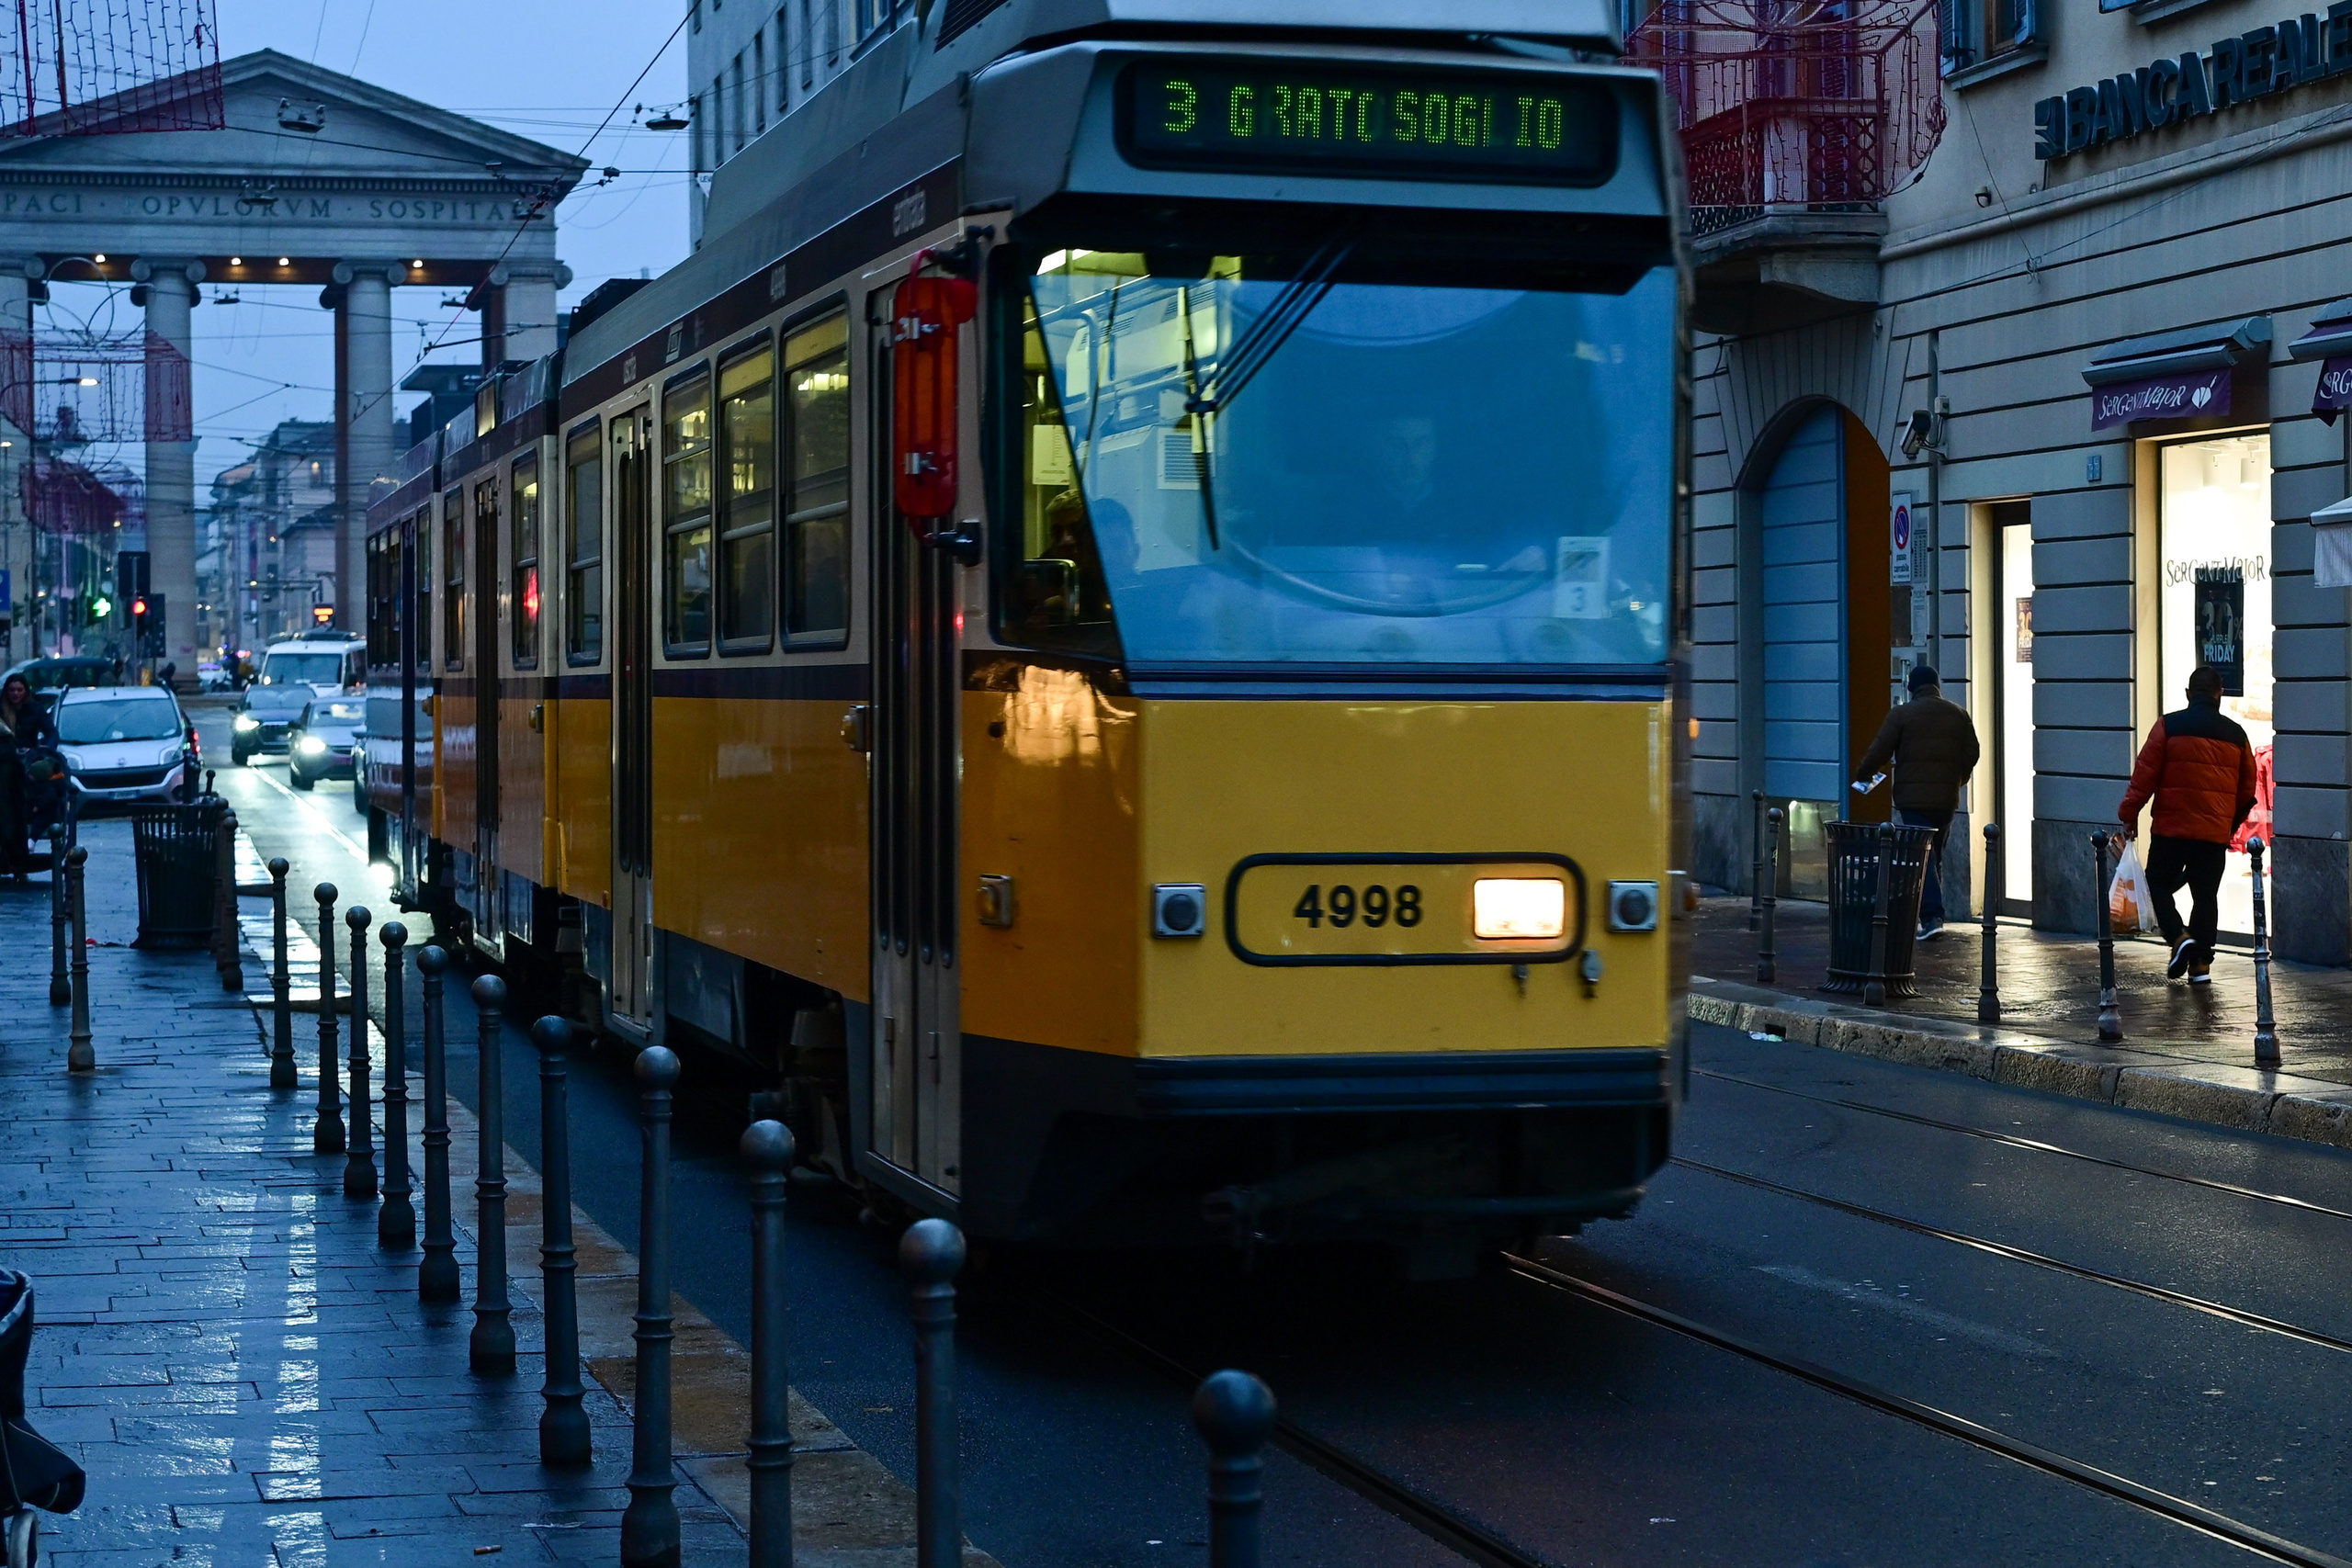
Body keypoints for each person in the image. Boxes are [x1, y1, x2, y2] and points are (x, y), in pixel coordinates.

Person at [2119, 664, 2257, 985]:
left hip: (2171, 829)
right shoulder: (2237, 735)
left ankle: (2179, 939)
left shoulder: (2169, 726)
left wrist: (2129, 814)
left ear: (2188, 694)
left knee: (2156, 884)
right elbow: (2247, 791)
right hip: (2211, 835)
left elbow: (2144, 776)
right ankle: (2200, 966)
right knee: (2205, 896)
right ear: (2219, 694)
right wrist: (2228, 824)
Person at [1851, 664, 1981, 940]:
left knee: (1923, 857)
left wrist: (1863, 775)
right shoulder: (1958, 714)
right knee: (1934, 856)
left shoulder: (1902, 714)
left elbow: (1879, 751)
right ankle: (1931, 916)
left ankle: (1932, 916)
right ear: (1936, 686)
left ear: (1912, 688)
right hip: (1946, 800)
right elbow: (1973, 752)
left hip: (1913, 800)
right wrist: (1958, 779)